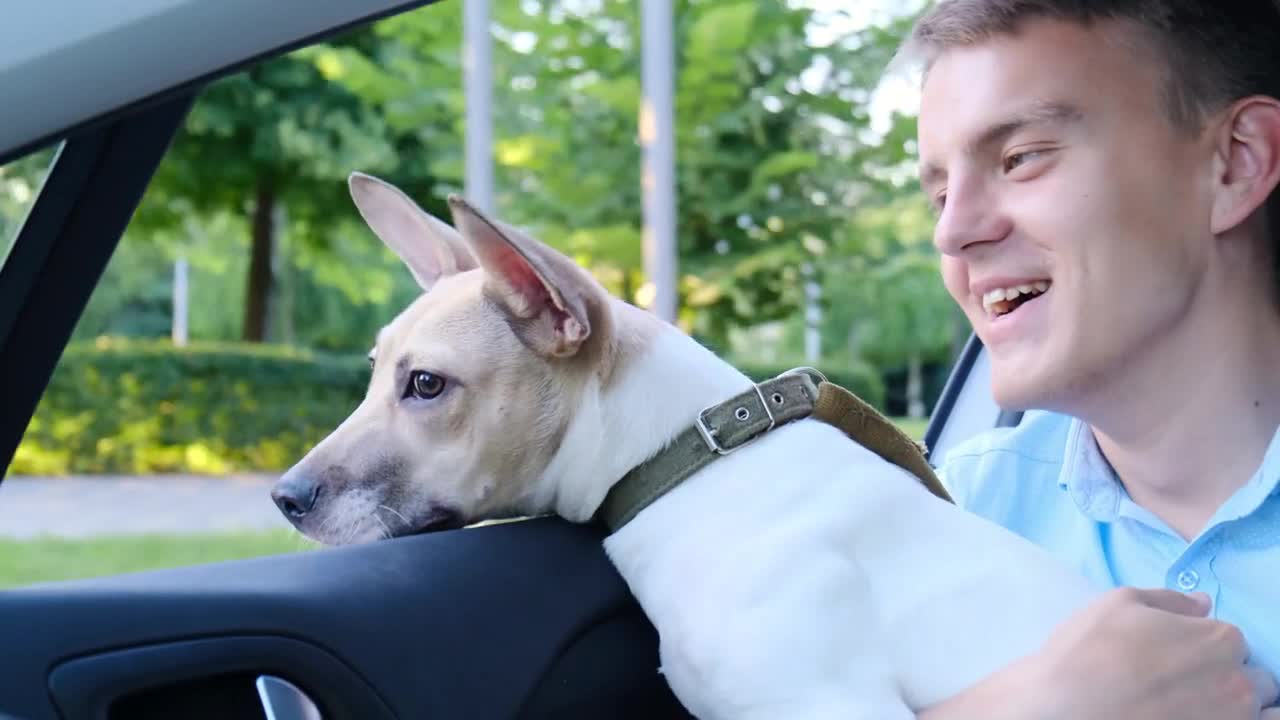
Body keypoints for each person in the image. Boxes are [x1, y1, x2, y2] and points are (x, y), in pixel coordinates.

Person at [899, 1, 1280, 718]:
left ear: (1236, 164)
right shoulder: (958, 513)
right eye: (941, 194)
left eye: (1019, 159)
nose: (952, 233)